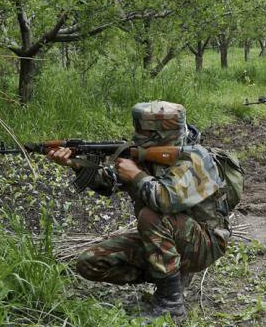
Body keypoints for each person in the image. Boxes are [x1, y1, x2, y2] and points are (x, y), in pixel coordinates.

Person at [46, 101, 238, 318]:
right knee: (89, 262)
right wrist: (77, 164)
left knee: (151, 216)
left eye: (143, 132)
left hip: (204, 244)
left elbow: (165, 200)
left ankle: (171, 303)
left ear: (158, 134)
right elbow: (109, 183)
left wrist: (136, 175)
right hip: (170, 241)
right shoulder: (144, 155)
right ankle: (167, 274)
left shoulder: (196, 159)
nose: (137, 136)